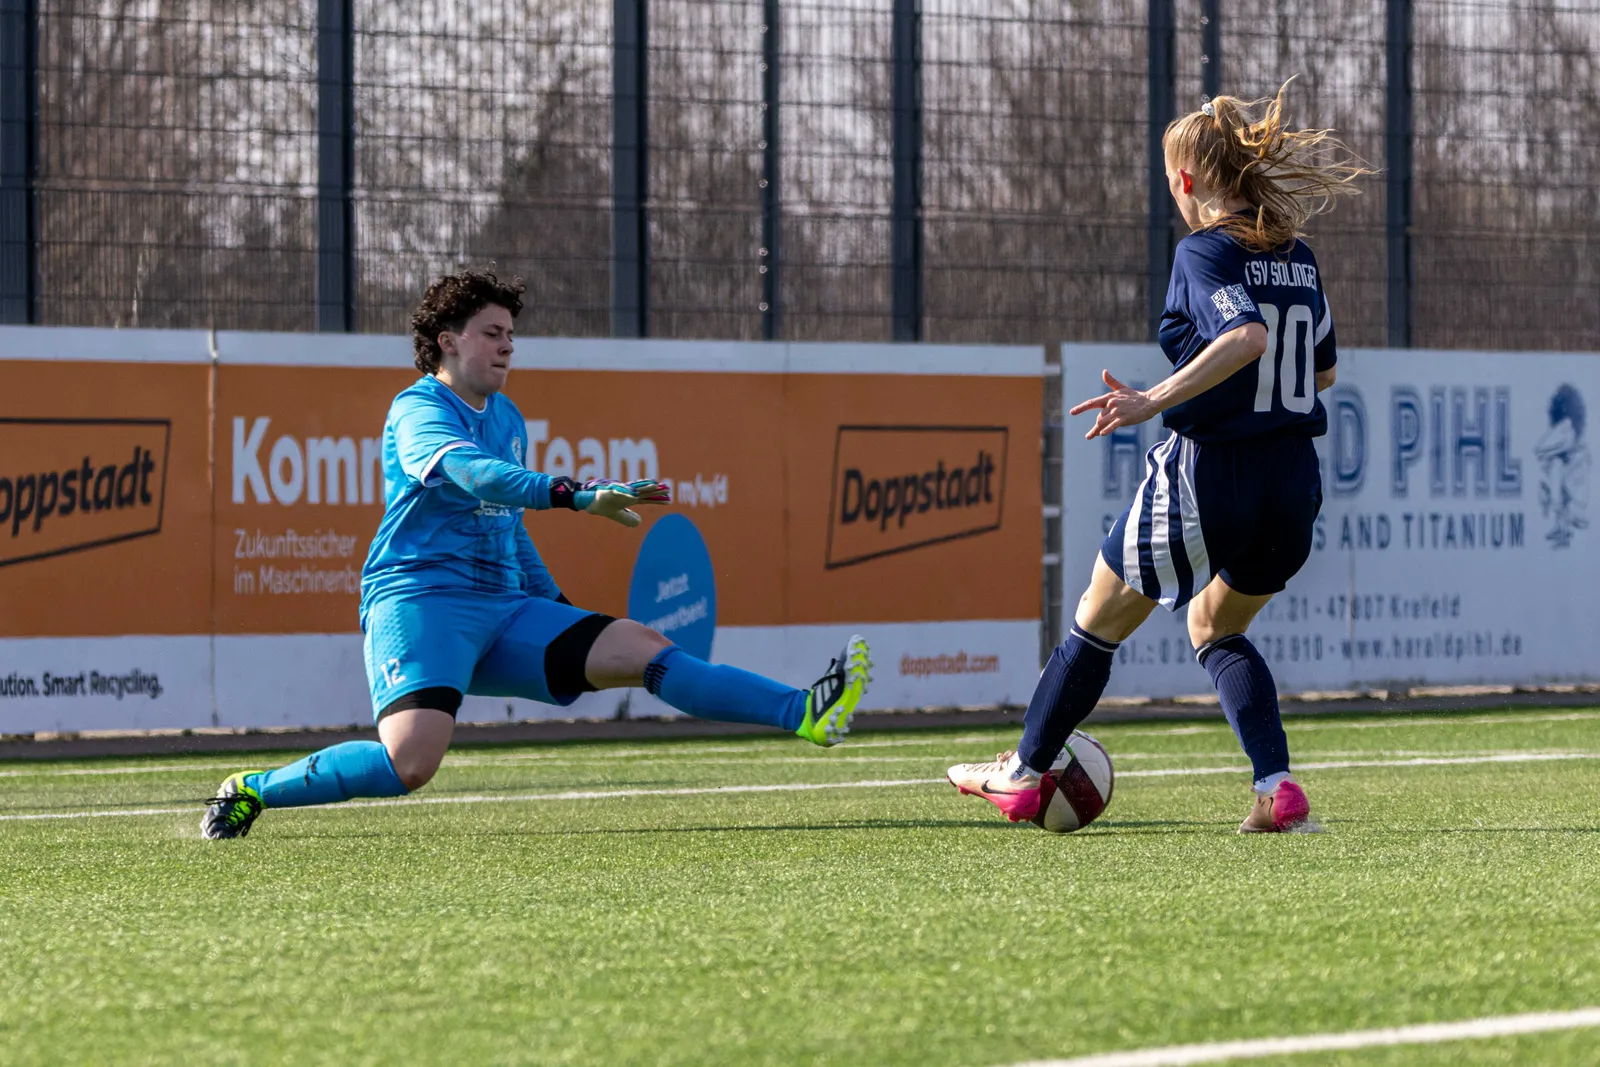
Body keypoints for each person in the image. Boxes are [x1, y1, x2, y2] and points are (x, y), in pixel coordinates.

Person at [202, 270, 872, 839]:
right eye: (492, 333)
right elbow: (475, 476)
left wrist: (559, 611)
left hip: (505, 607)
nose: (507, 346)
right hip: (421, 603)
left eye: (511, 335)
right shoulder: (417, 410)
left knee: (640, 646)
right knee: (410, 763)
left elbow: (509, 526)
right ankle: (252, 788)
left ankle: (805, 711)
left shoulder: (508, 418)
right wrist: (574, 495)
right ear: (448, 341)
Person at [948, 84, 1368, 833]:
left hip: (1213, 472)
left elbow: (1246, 338)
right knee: (1216, 627)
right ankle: (1276, 788)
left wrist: (1152, 399)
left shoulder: (1203, 250)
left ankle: (1023, 773)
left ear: (1186, 179)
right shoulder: (1298, 257)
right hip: (1293, 482)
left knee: (1096, 618)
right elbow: (1325, 371)